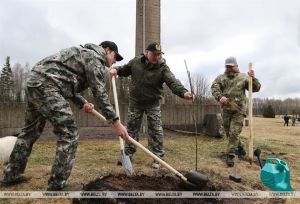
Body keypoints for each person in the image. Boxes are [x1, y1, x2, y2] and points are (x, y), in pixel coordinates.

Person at [1, 41, 129, 190]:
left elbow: (66, 82)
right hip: (48, 87)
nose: (114, 61)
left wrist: (83, 103)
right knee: (70, 133)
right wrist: (116, 122)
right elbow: (100, 94)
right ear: (107, 50)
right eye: (115, 56)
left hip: (34, 82)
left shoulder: (82, 54)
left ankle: (12, 174)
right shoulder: (95, 58)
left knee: (29, 133)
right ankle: (57, 184)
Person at [109, 42, 194, 169]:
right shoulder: (136, 62)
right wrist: (116, 70)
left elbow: (172, 81)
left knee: (156, 130)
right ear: (147, 52)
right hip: (136, 102)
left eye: (159, 55)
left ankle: (157, 158)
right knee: (131, 129)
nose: (156, 57)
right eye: (154, 54)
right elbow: (125, 69)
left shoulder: (163, 67)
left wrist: (184, 92)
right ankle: (127, 155)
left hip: (153, 103)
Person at [211, 56, 261, 167]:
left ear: (236, 66)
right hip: (226, 110)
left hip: (239, 110)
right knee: (229, 133)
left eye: (231, 66)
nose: (229, 68)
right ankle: (241, 148)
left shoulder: (244, 77)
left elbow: (256, 88)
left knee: (234, 132)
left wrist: (253, 78)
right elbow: (214, 88)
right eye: (227, 66)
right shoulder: (220, 78)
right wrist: (219, 97)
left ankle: (230, 155)